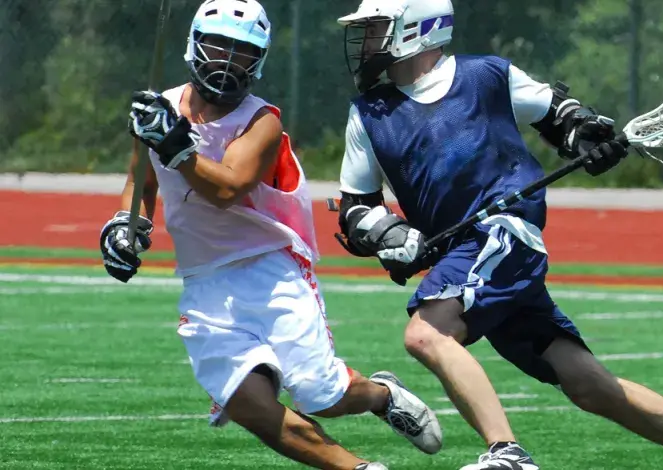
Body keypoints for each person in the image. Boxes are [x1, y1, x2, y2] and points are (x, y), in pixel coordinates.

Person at [333, 0, 663, 469]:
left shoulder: (486, 76)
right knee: (588, 385)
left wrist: (586, 136)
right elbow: (357, 207)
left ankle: (508, 454)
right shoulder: (368, 114)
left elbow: (561, 115)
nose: (368, 42)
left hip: (504, 231)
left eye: (377, 28)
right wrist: (390, 233)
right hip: (460, 250)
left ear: (416, 29)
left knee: (426, 334)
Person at [98, 1, 441, 468]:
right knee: (248, 405)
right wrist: (124, 225)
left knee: (321, 394)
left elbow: (227, 188)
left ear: (258, 60)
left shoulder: (262, 121)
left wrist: (173, 140)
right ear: (194, 45)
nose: (226, 60)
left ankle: (382, 395)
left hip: (271, 270)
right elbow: (142, 183)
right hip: (204, 284)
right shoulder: (157, 112)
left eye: (241, 52)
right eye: (218, 45)